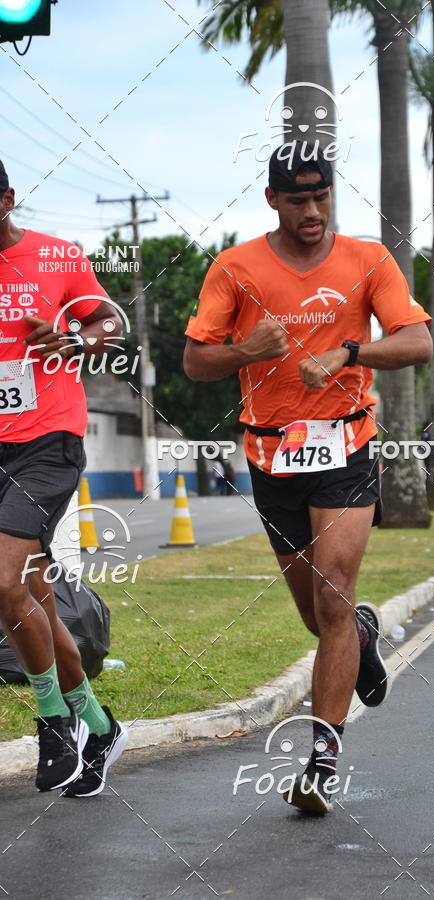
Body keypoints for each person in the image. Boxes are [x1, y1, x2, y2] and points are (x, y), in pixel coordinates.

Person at [184, 144, 432, 815]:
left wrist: (351, 351)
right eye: (298, 199)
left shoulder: (367, 260)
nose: (313, 209)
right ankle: (363, 633)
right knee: (318, 617)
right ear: (273, 200)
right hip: (272, 458)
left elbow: (418, 343)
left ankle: (322, 759)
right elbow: (194, 360)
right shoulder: (235, 268)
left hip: (347, 443)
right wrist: (245, 350)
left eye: (321, 195)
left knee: (332, 599)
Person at [0, 161, 127, 795]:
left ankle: (50, 718)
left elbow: (111, 326)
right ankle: (99, 727)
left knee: (3, 583)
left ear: (7, 199)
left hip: (48, 441)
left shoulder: (55, 257)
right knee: (35, 604)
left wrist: (73, 337)